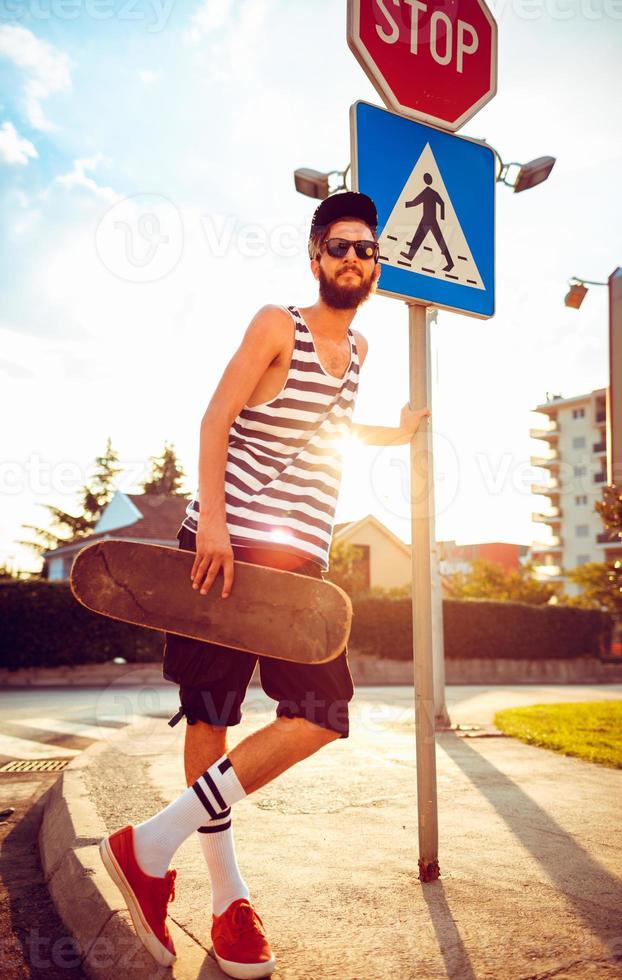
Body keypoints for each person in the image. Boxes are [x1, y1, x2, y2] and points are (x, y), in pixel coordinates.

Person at [98, 191, 431, 978]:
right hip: (225, 549)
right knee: (210, 716)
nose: (354, 259)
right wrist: (210, 521)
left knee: (322, 713)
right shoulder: (276, 323)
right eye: (339, 247)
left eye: (365, 249)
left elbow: (337, 426)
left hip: (299, 563)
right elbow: (216, 417)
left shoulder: (365, 352)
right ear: (315, 258)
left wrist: (400, 432)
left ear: (376, 265)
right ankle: (228, 898)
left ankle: (149, 846)